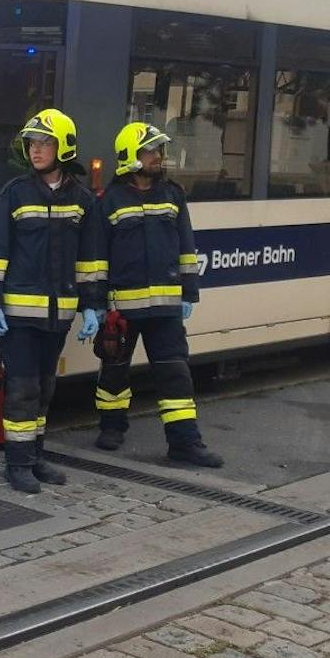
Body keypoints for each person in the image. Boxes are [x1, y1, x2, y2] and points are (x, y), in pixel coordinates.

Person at [0, 109, 102, 494]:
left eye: (44, 143)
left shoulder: (83, 200)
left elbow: (91, 260)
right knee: (23, 389)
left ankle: (36, 457)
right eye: (32, 144)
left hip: (57, 316)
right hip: (17, 318)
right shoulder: (14, 193)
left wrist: (92, 306)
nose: (36, 150)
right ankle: (17, 465)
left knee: (45, 389)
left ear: (63, 147)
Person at [89, 122, 223, 467]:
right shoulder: (109, 201)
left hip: (165, 309)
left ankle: (184, 442)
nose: (158, 157)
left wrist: (188, 294)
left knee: (175, 375)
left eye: (158, 151)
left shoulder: (173, 194)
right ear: (130, 156)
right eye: (150, 151)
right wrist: (97, 303)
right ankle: (112, 427)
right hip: (122, 307)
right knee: (114, 371)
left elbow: (187, 247)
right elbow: (97, 256)